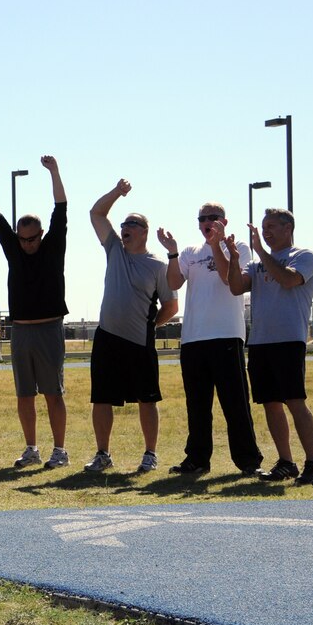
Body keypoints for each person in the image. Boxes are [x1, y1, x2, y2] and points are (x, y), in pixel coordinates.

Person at [158, 203, 263, 475]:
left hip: (226, 336)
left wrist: (218, 245)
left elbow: (231, 280)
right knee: (197, 405)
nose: (207, 222)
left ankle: (248, 461)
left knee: (235, 403)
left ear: (224, 221)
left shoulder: (237, 246)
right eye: (202, 219)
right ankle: (197, 460)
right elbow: (173, 284)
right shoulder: (190, 252)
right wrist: (171, 253)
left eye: (212, 218)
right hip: (193, 339)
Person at [0, 156, 69, 469]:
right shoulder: (13, 247)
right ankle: (31, 449)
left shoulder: (53, 245)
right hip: (20, 330)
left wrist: (54, 172)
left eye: (32, 238)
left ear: (41, 234)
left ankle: (59, 451)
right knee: (24, 395)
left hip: (49, 328)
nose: (27, 244)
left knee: (53, 394)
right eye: (23, 238)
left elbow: (61, 208)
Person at [85, 179, 178, 472]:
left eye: (132, 223)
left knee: (146, 399)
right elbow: (96, 214)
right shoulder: (114, 249)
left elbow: (171, 306)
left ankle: (150, 455)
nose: (125, 226)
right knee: (101, 398)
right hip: (107, 338)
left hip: (139, 343)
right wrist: (117, 193)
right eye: (124, 223)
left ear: (144, 232)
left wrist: (152, 326)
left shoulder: (157, 265)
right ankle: (103, 454)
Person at [225, 209, 313, 484]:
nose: (265, 231)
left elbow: (289, 280)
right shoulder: (257, 264)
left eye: (271, 226)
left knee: (295, 402)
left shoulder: (304, 256)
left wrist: (260, 251)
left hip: (288, 341)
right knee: (270, 404)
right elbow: (235, 287)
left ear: (288, 227)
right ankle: (286, 462)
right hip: (260, 343)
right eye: (262, 227)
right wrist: (233, 259)